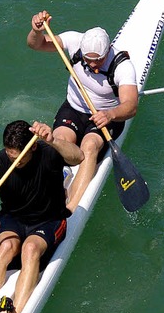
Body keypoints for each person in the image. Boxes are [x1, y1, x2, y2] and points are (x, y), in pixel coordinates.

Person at [0, 120, 84, 313]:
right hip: (13, 220)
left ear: (32, 146)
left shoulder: (48, 152)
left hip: (49, 220)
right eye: (9, 154)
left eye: (19, 158)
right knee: (6, 247)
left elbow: (78, 157)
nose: (14, 160)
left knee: (30, 249)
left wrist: (53, 140)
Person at [27, 11, 139, 212]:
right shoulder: (74, 41)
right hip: (73, 108)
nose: (93, 65)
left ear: (108, 51)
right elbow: (36, 44)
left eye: (99, 60)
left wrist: (110, 114)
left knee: (89, 146)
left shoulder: (123, 67)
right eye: (88, 60)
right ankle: (59, 179)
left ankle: (70, 208)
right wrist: (36, 31)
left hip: (106, 117)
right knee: (59, 139)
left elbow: (131, 106)